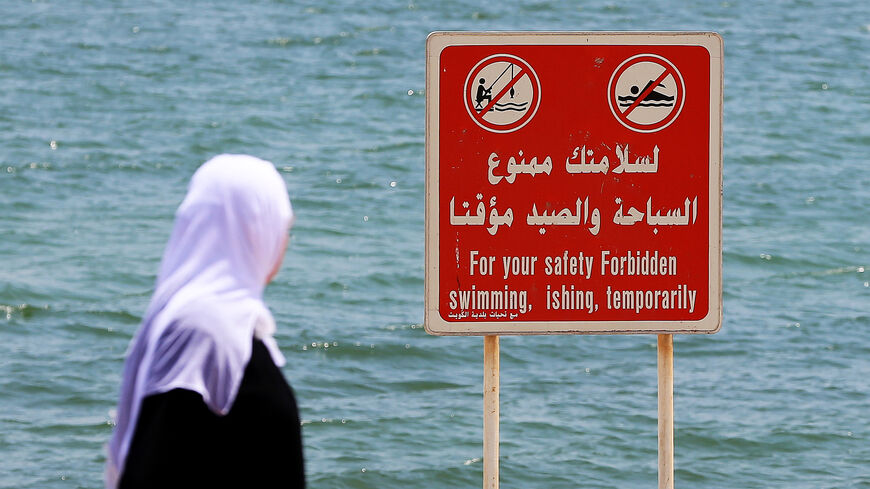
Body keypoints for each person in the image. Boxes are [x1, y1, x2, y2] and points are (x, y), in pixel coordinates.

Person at [105, 154, 304, 488]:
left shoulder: (194, 325)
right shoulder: (209, 335)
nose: (283, 241)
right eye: (282, 226)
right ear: (255, 230)